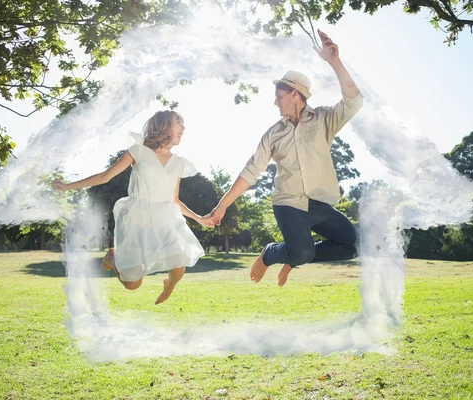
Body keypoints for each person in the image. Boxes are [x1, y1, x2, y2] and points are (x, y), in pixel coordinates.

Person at [210, 29, 363, 287]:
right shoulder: (273, 134)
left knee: (353, 244)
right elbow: (251, 171)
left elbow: (354, 101)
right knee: (303, 250)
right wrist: (223, 205)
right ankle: (271, 253)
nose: (275, 102)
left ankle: (293, 257)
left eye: (279, 96)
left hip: (318, 203)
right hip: (288, 204)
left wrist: (334, 62)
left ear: (295, 94)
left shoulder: (324, 120)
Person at [53, 110, 214, 304]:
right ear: (164, 126)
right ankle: (113, 257)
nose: (183, 127)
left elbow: (175, 200)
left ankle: (168, 285)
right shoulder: (137, 151)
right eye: (179, 122)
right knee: (132, 285)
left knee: (179, 268)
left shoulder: (178, 163)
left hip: (165, 221)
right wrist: (68, 186)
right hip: (137, 220)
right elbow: (105, 176)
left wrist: (200, 219)